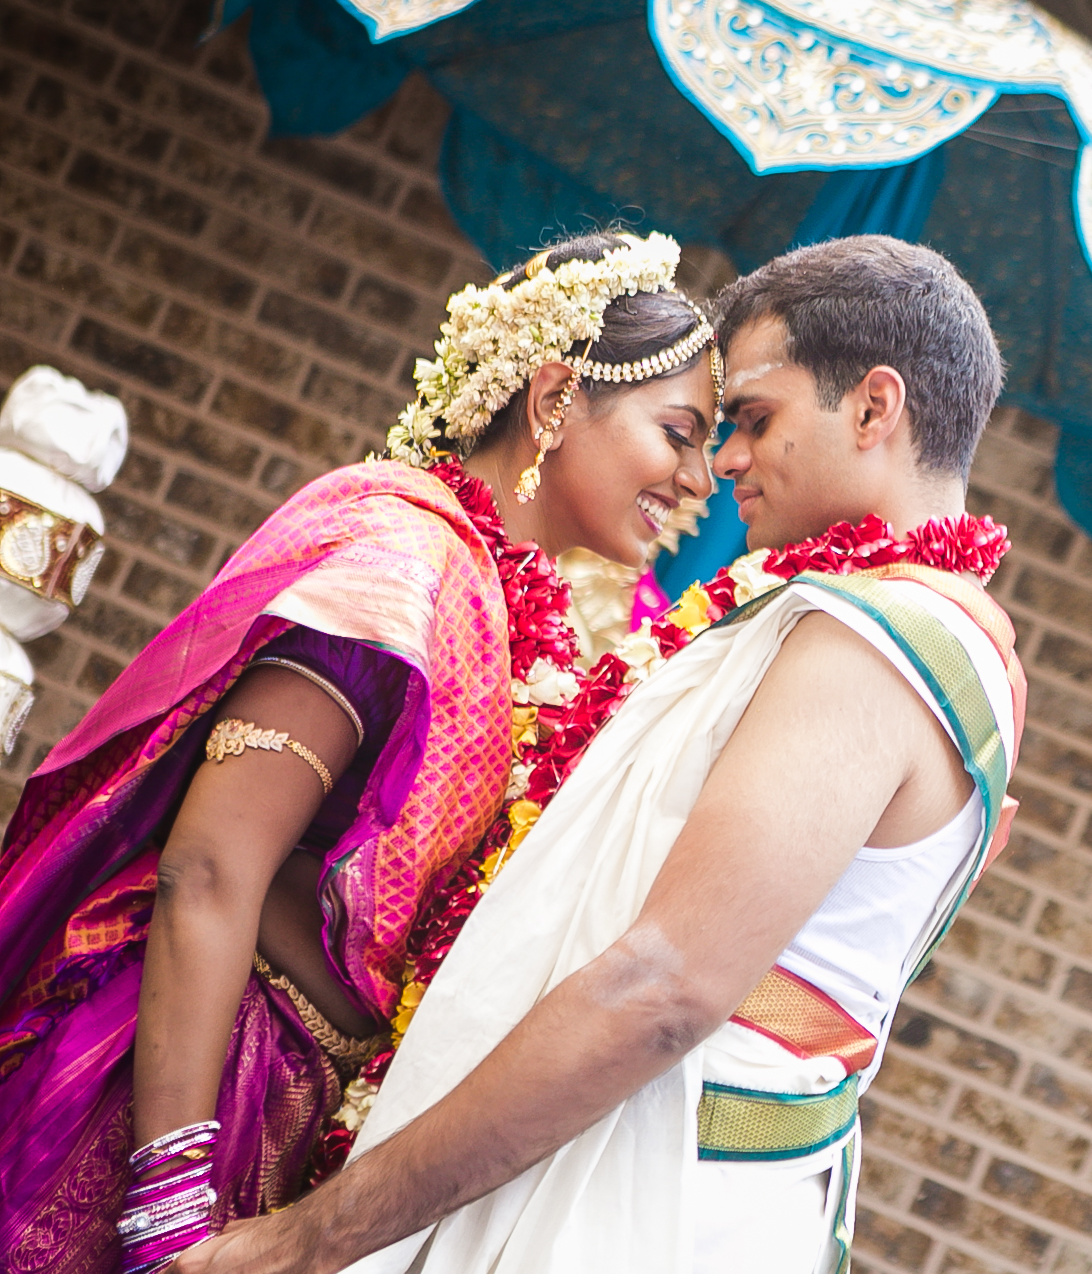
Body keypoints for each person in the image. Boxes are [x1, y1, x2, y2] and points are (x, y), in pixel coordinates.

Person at [176, 235, 1025, 1274]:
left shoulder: (873, 649)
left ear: (873, 408)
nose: (724, 460)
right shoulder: (863, 630)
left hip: (644, 1205)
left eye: (753, 419)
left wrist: (315, 1237)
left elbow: (663, 990)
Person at [0, 230, 722, 1273]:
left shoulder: (498, 601)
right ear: (556, 395)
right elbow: (211, 864)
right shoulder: (400, 567)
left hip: (279, 1115)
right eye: (678, 431)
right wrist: (165, 1203)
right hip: (160, 1103)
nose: (700, 478)